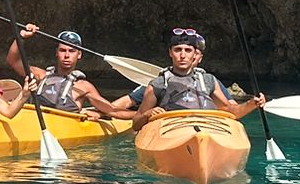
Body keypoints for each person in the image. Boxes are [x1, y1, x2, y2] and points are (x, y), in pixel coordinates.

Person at [109, 27, 266, 126]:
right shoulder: (157, 84)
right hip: (172, 128)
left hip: (208, 127)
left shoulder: (208, 80)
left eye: (187, 50)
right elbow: (136, 123)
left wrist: (252, 104)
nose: (182, 55)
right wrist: (148, 114)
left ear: (195, 54)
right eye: (177, 50)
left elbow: (230, 111)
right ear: (170, 53)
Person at [6, 23, 119, 115]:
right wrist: (22, 36)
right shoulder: (41, 76)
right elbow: (13, 61)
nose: (66, 55)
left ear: (79, 55)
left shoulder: (84, 87)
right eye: (62, 50)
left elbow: (112, 110)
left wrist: (136, 114)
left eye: (71, 51)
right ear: (57, 52)